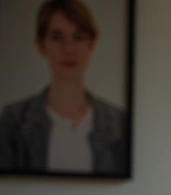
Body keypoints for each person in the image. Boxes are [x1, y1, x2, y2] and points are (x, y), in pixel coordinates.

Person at [0, 0, 128, 174]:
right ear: (41, 45)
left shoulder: (119, 123)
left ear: (91, 44)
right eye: (57, 37)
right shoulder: (13, 119)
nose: (68, 49)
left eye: (79, 37)